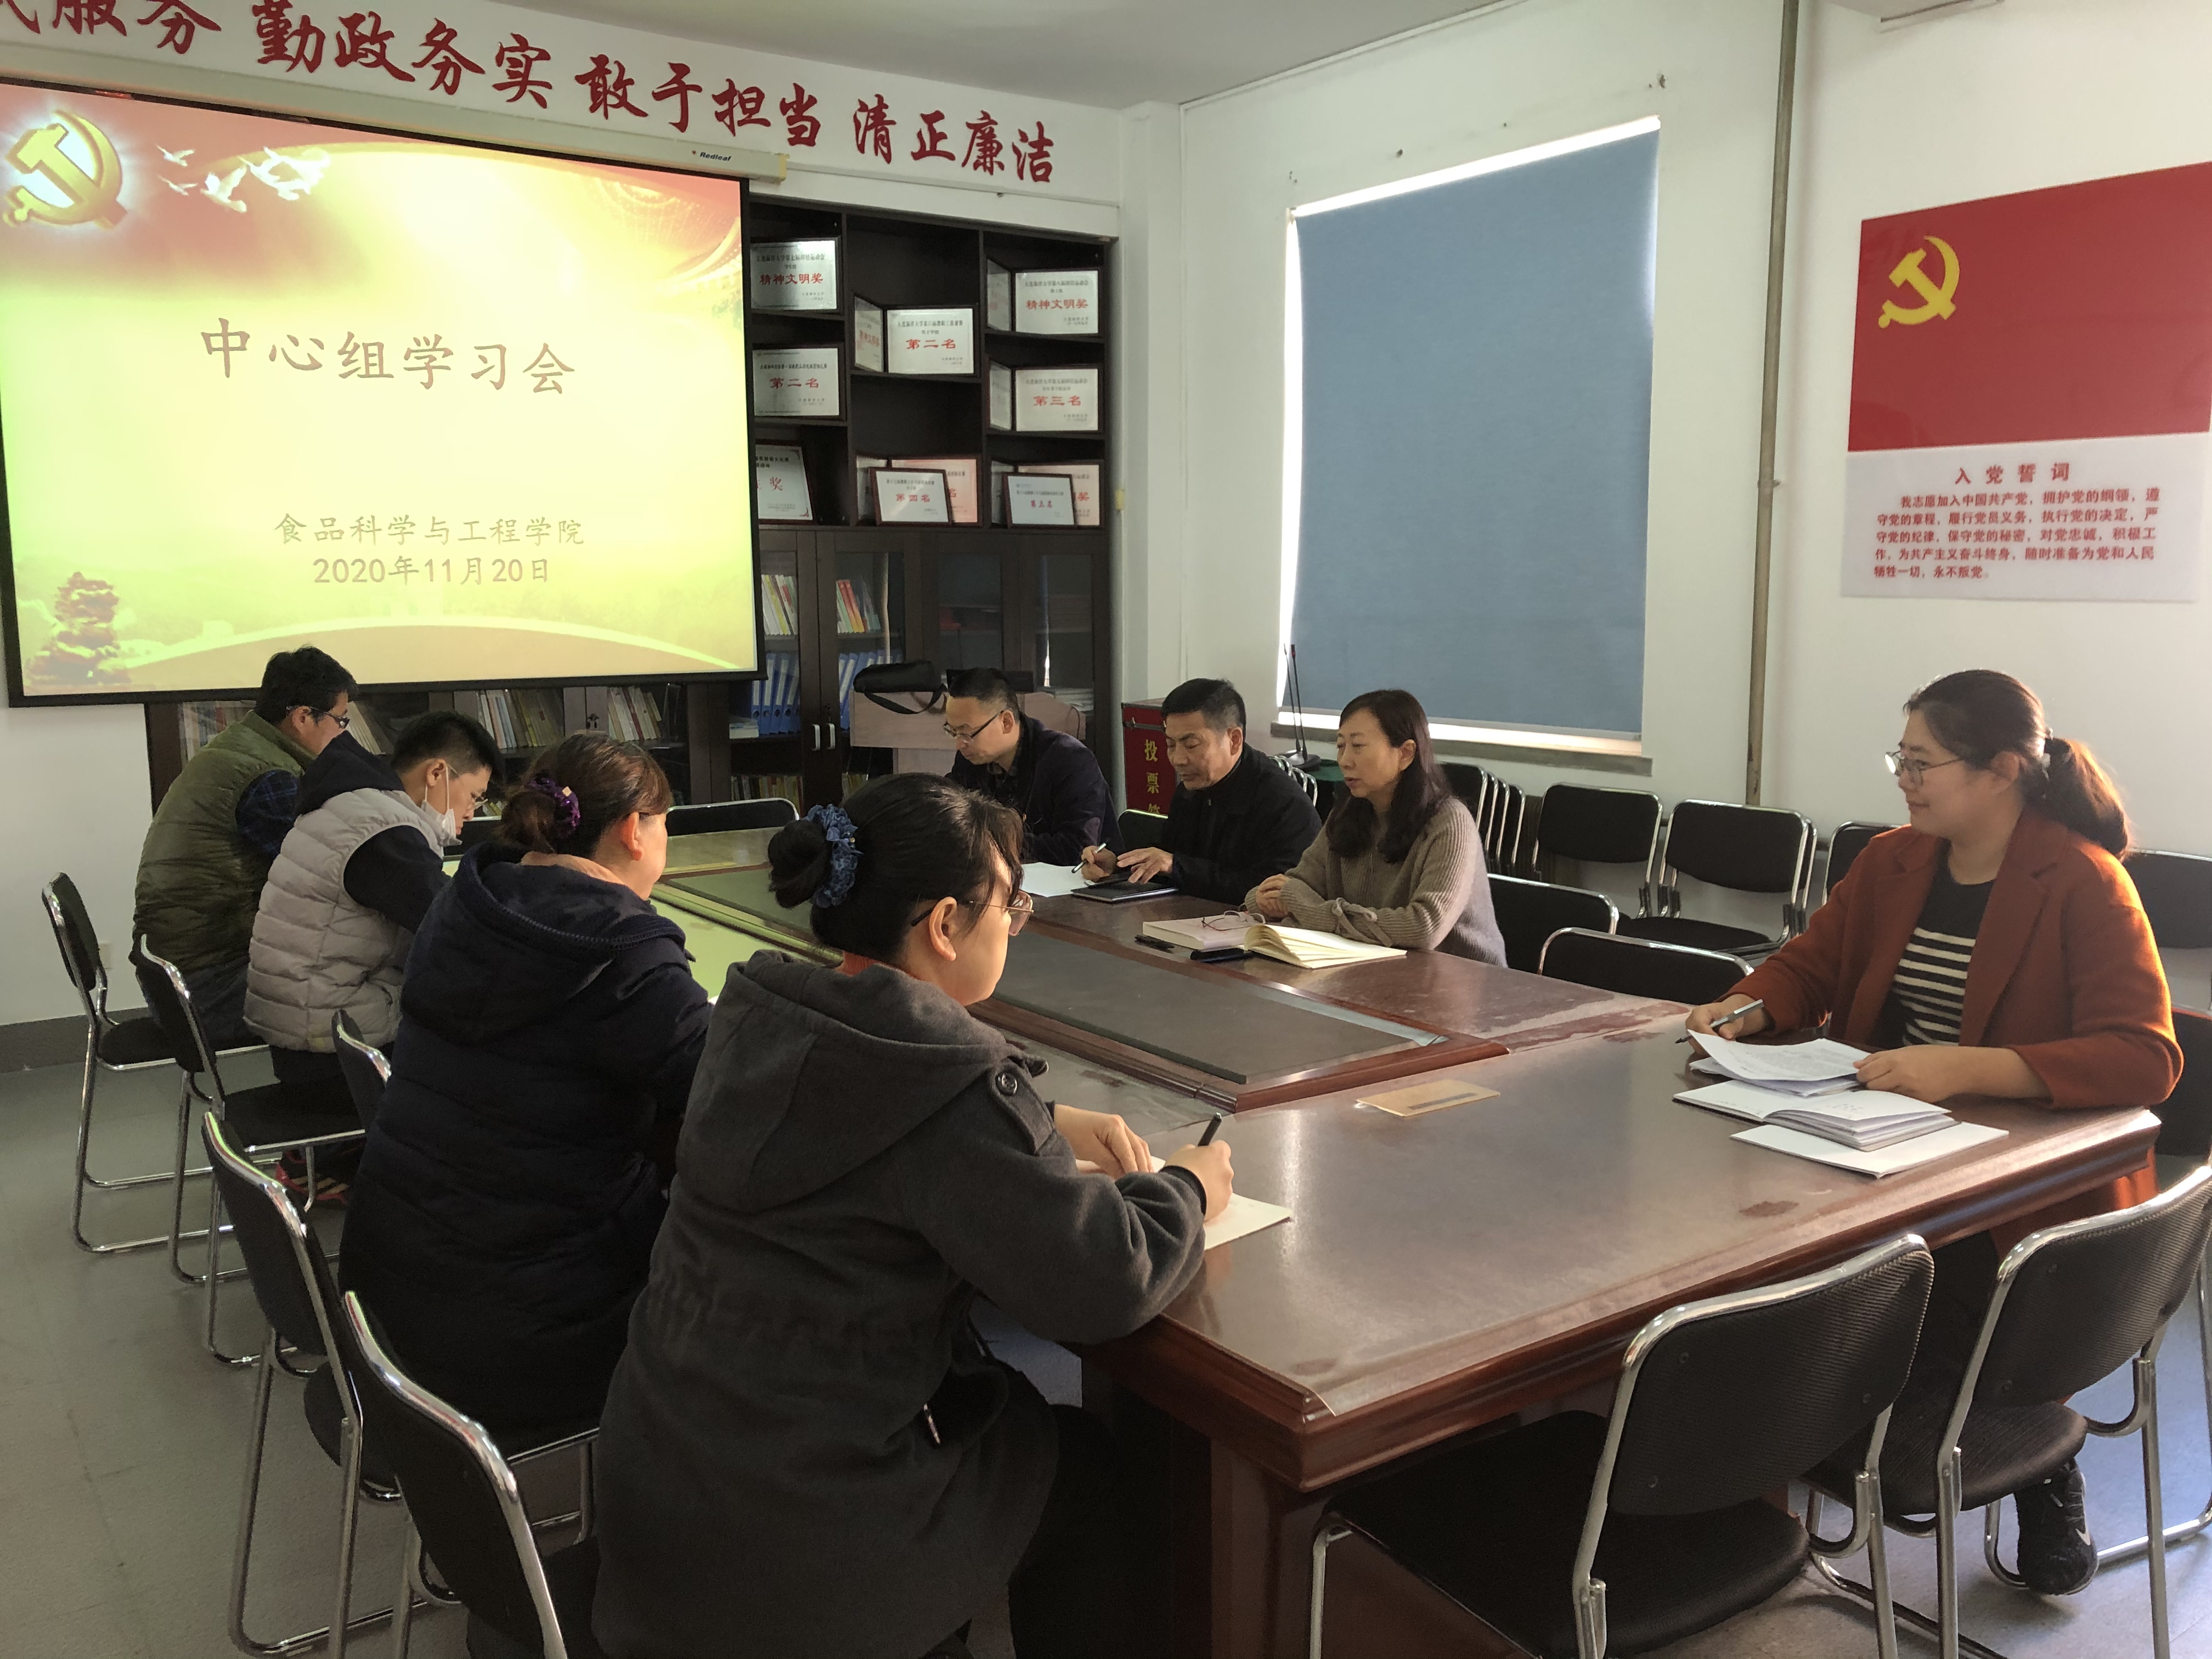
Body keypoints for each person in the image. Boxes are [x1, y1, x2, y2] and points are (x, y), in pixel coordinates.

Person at [591, 773, 1233, 1659]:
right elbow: (1104, 1278)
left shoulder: (760, 1015)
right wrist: (1187, 1187)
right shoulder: (944, 1079)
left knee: (1001, 1416)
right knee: (1079, 1465)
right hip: (801, 1536)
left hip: (664, 1481)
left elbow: (860, 1128)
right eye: (1010, 906)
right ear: (944, 924)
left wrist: (1041, 1121)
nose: (1015, 924)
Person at [1685, 669, 2179, 1598]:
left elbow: (2144, 1055)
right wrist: (1748, 1007)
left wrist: (1969, 1067)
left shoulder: (2081, 879)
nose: (1904, 781)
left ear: (2002, 770)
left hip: (2020, 1186)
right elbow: (1809, 964)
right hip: (1879, 1141)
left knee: (1919, 1305)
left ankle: (2040, 1460)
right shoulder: (1895, 860)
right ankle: (1752, 1477)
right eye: (1900, 760)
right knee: (1761, 1258)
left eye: (1923, 763)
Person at [339, 732, 709, 1440]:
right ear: (634, 831)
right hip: (529, 1326)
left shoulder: (465, 905)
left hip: (394, 1295)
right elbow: (731, 1093)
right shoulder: (619, 953)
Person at [243, 710, 500, 1114]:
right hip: (328, 1053)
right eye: (474, 796)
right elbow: (455, 925)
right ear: (437, 773)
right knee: (489, 1047)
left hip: (304, 1019)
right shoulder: (383, 831)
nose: (472, 812)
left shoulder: (354, 803)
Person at [132, 646, 356, 1047]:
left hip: (182, 977)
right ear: (303, 717)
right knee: (377, 990)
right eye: (340, 720)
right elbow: (330, 877)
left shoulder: (241, 748)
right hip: (211, 989)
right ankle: (341, 1087)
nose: (343, 734)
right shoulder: (267, 776)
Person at [1247, 688, 1504, 964]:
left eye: (1358, 746)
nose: (1345, 761)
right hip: (1376, 969)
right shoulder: (1347, 814)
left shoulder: (1449, 822)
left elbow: (1424, 927)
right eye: (1341, 746)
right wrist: (1263, 900)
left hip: (1461, 977)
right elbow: (1293, 886)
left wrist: (1310, 910)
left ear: (1406, 754)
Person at [1079, 677, 1320, 902]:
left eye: (1191, 745)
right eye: (1170, 745)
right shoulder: (1191, 789)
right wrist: (1116, 867)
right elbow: (1168, 861)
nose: (1178, 759)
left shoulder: (1284, 804)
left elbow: (1272, 893)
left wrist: (1176, 866)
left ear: (1234, 740)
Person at [944, 665, 1119, 865]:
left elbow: (1076, 848)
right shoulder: (971, 760)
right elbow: (953, 818)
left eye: (967, 733)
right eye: (953, 732)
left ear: (1006, 722)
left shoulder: (1070, 760)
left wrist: (991, 841)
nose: (959, 744)